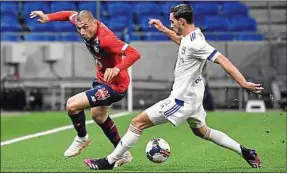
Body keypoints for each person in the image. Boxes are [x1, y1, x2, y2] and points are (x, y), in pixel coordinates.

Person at [83, 4, 263, 170]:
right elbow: (181, 41)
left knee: (136, 123)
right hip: (193, 98)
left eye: (172, 22)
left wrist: (243, 83)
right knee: (203, 132)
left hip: (180, 100)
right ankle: (245, 151)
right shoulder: (193, 35)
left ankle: (109, 161)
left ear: (181, 21)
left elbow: (222, 60)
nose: (172, 24)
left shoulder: (197, 43)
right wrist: (163, 29)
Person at [30, 10, 141, 167]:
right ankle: (123, 153)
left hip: (116, 85)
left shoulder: (106, 39)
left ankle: (82, 138)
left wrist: (117, 68)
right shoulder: (80, 22)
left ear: (94, 22)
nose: (82, 31)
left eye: (85, 27)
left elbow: (134, 53)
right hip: (101, 80)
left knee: (72, 105)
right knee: (98, 116)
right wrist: (48, 17)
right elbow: (70, 14)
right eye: (79, 28)